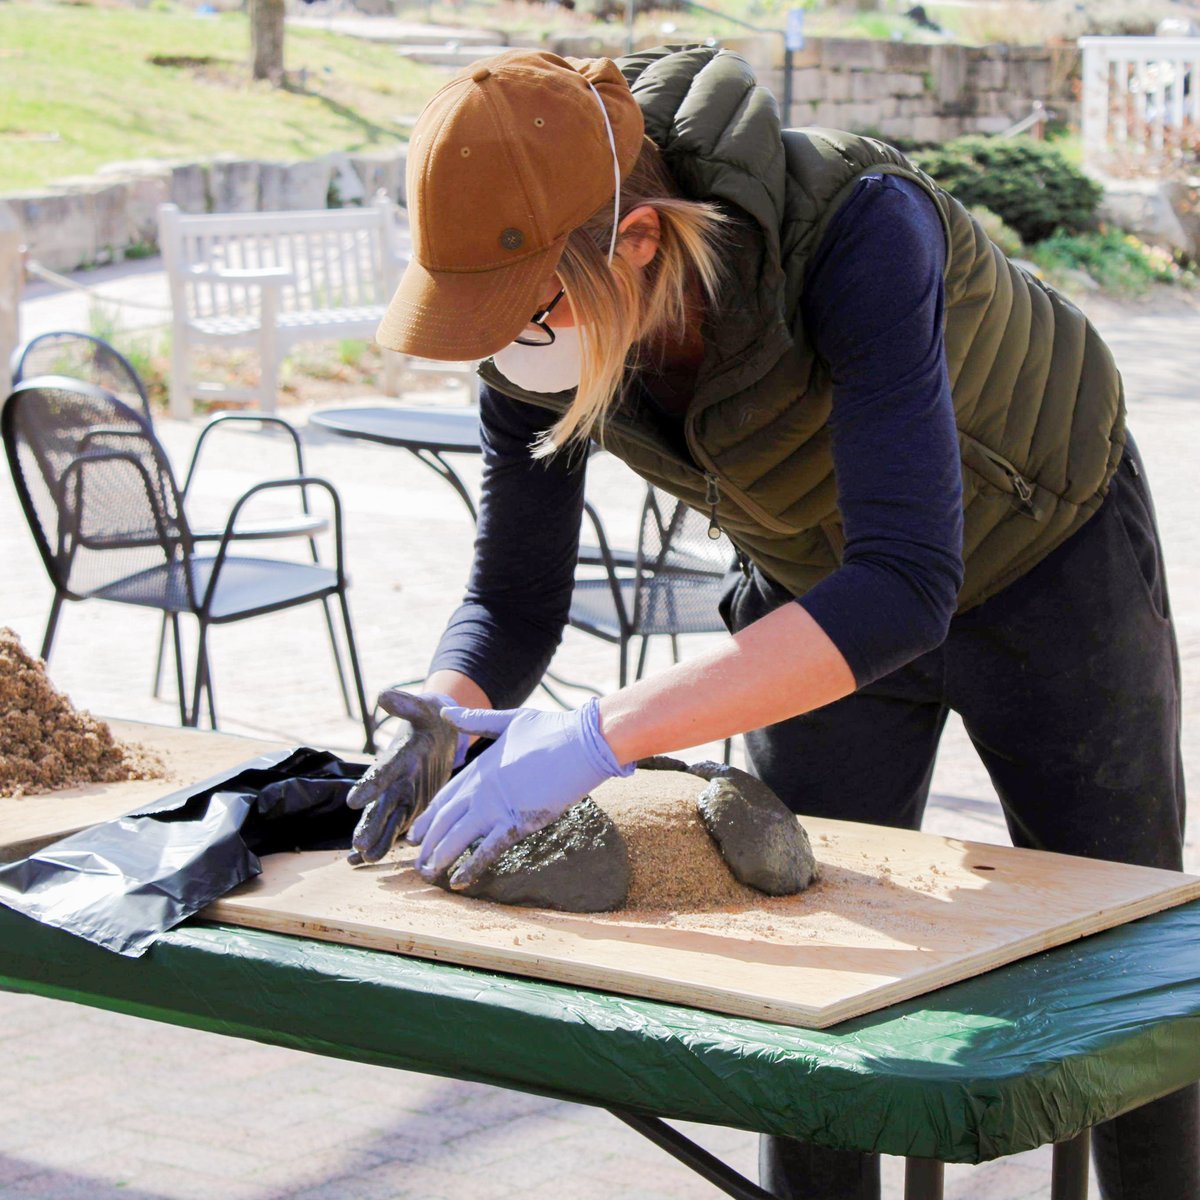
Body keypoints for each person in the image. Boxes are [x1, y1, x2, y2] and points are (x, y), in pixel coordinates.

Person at [353, 45, 1194, 1200]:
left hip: (1048, 555)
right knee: (801, 958)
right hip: (815, 580)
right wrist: (442, 709)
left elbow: (905, 583)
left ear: (637, 240)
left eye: (523, 312)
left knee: (1124, 954)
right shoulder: (538, 325)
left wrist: (600, 736)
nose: (504, 349)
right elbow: (513, 598)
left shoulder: (860, 228)